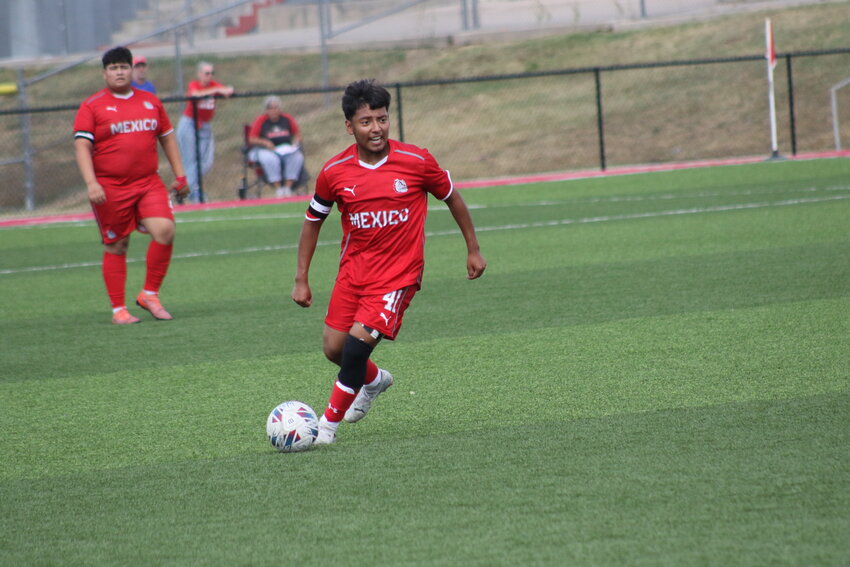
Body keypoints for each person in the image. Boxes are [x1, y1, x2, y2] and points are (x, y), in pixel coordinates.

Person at [291, 79, 487, 444]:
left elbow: (453, 198)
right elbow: (312, 221)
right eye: (366, 121)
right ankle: (375, 380)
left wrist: (472, 249)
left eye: (382, 119)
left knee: (354, 348)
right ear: (349, 126)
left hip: (398, 276)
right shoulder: (334, 172)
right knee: (334, 349)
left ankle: (326, 427)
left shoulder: (416, 161)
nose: (376, 128)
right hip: (353, 274)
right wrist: (301, 277)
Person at [73, 46, 189, 324]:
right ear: (104, 74)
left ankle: (149, 294)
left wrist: (181, 175)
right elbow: (81, 146)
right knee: (118, 244)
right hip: (110, 187)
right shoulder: (92, 106)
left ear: (132, 69)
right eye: (113, 68)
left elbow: (168, 138)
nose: (119, 72)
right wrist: (91, 183)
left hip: (148, 182)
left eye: (123, 66)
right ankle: (118, 311)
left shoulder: (150, 101)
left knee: (165, 230)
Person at [176, 61, 234, 203]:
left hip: (204, 126)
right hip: (189, 123)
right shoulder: (194, 84)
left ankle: (185, 189)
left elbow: (227, 90)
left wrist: (226, 90)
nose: (210, 76)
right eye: (207, 73)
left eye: (212, 73)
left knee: (205, 162)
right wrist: (216, 91)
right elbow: (195, 94)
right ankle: (191, 193)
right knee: (190, 161)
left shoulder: (214, 85)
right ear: (200, 74)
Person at [247, 95, 306, 198]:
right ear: (266, 110)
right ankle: (278, 189)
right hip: (265, 150)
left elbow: (298, 135)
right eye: (270, 108)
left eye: (276, 107)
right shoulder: (261, 120)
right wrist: (265, 143)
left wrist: (295, 143)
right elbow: (252, 139)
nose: (273, 111)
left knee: (297, 156)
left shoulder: (287, 119)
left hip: (285, 150)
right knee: (271, 158)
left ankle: (287, 188)